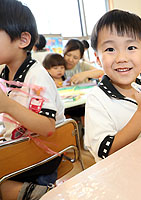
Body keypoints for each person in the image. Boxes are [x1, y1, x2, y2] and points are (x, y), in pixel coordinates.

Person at [85, 9, 141, 162]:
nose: (121, 58)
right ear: (97, 58)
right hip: (119, 177)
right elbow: (105, 151)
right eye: (110, 49)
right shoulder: (97, 99)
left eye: (131, 48)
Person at [0, 0, 65, 199]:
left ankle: (44, 194)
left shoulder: (37, 75)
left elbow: (47, 127)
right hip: (20, 146)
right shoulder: (5, 73)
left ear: (22, 40)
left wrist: (7, 105)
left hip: (43, 155)